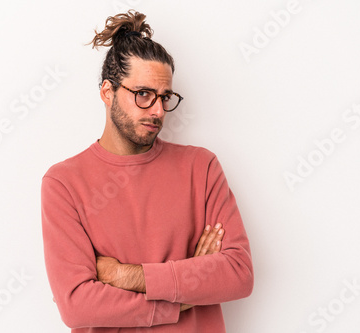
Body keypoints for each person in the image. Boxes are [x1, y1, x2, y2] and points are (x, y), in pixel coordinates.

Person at [41, 10, 253, 332]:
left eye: (165, 97)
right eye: (143, 95)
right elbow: (77, 305)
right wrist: (186, 292)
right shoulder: (64, 183)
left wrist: (122, 275)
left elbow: (238, 274)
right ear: (107, 92)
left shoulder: (201, 167)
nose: (157, 110)